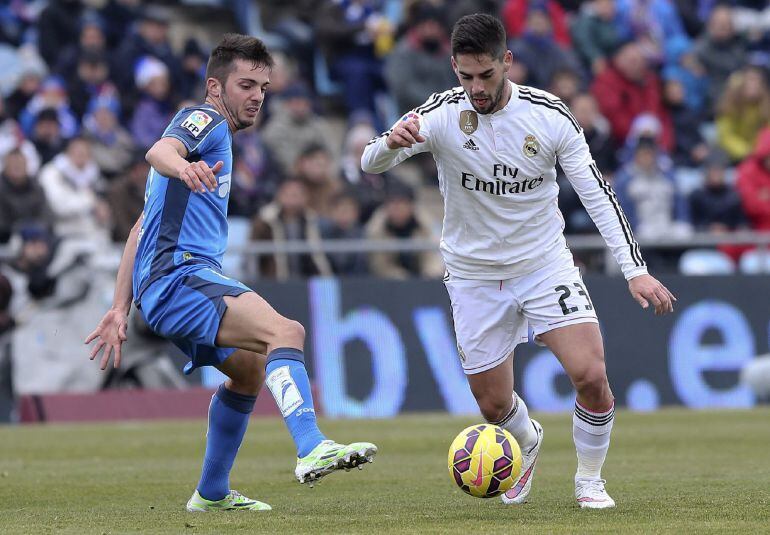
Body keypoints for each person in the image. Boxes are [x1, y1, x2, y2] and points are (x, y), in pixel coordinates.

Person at [361, 13, 675, 509]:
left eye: (485, 75)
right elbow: (368, 163)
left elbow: (597, 194)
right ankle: (526, 443)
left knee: (591, 375)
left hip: (542, 263)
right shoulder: (441, 113)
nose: (476, 88)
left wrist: (634, 269)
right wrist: (387, 145)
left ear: (507, 62)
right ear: (454, 69)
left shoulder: (549, 116)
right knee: (492, 405)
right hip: (472, 274)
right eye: (465, 77)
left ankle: (589, 480)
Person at [85, 34, 376, 513]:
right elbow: (158, 151)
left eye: (263, 86)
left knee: (250, 372)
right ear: (215, 86)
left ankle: (212, 493)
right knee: (287, 330)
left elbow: (139, 229)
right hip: (182, 279)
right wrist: (181, 165)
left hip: (162, 288)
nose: (257, 95)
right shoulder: (206, 121)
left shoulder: (211, 142)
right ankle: (312, 447)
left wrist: (119, 307)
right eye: (246, 84)